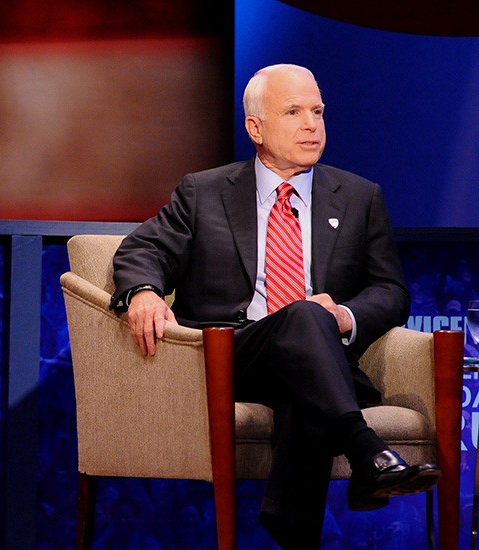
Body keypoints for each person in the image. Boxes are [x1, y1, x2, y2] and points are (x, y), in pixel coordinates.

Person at [109, 63, 440, 549]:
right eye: (294, 111)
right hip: (232, 354)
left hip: (315, 361)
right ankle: (366, 449)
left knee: (305, 353)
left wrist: (344, 316)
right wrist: (143, 291)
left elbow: (390, 291)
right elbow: (144, 250)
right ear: (255, 127)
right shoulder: (203, 192)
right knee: (304, 317)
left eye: (318, 111)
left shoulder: (359, 196)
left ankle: (291, 528)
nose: (312, 124)